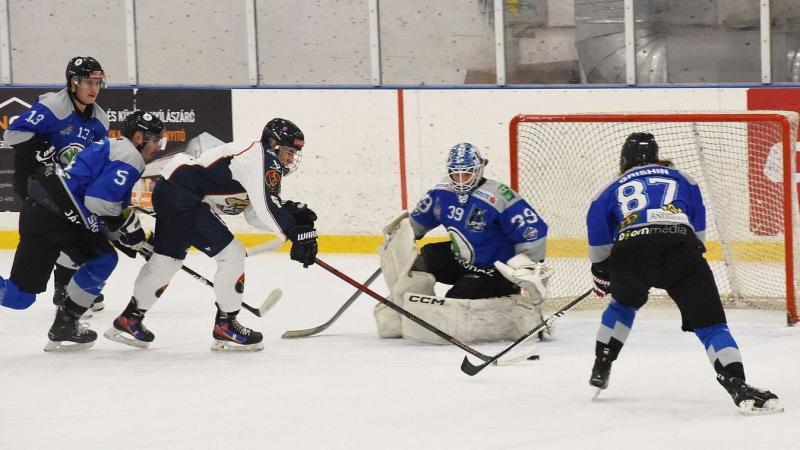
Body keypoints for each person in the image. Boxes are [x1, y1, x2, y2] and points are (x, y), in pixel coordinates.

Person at [586, 132, 782, 414]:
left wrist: (603, 270)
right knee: (712, 326)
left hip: (630, 252)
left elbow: (597, 237)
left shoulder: (608, 187)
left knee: (623, 304)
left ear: (624, 159)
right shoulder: (683, 178)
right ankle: (737, 382)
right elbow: (698, 231)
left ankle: (602, 364)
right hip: (680, 249)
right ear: (656, 155)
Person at [104, 118, 318, 351]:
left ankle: (130, 319)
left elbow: (254, 213)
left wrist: (292, 221)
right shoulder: (263, 159)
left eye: (293, 153)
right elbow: (268, 208)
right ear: (274, 143)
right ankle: (227, 325)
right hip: (184, 196)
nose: (290, 158)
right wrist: (294, 231)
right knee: (232, 254)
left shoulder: (259, 160)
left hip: (173, 190)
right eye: (288, 151)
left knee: (167, 260)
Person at [0, 111, 166, 351]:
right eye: (156, 140)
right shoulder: (130, 157)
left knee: (103, 259)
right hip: (48, 215)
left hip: (65, 214)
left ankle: (65, 325)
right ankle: (65, 322)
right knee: (19, 298)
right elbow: (100, 203)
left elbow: (103, 207)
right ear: (139, 137)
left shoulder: (118, 148)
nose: (159, 147)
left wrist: (129, 236)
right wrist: (132, 233)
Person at [374, 143, 552, 344]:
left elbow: (533, 231)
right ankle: (406, 311)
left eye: (466, 174)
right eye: (455, 174)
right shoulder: (442, 194)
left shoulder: (499, 196)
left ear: (478, 170)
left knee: (455, 302)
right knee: (420, 260)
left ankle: (514, 315)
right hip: (462, 260)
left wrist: (526, 269)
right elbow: (417, 223)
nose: (460, 181)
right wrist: (399, 239)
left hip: (495, 271)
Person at [4, 56, 110, 312]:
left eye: (97, 82)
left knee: (92, 239)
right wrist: (43, 148)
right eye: (87, 82)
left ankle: (67, 289)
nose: (93, 88)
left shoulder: (99, 120)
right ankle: (65, 288)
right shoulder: (54, 107)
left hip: (64, 189)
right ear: (73, 83)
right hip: (36, 185)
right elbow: (12, 133)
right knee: (67, 228)